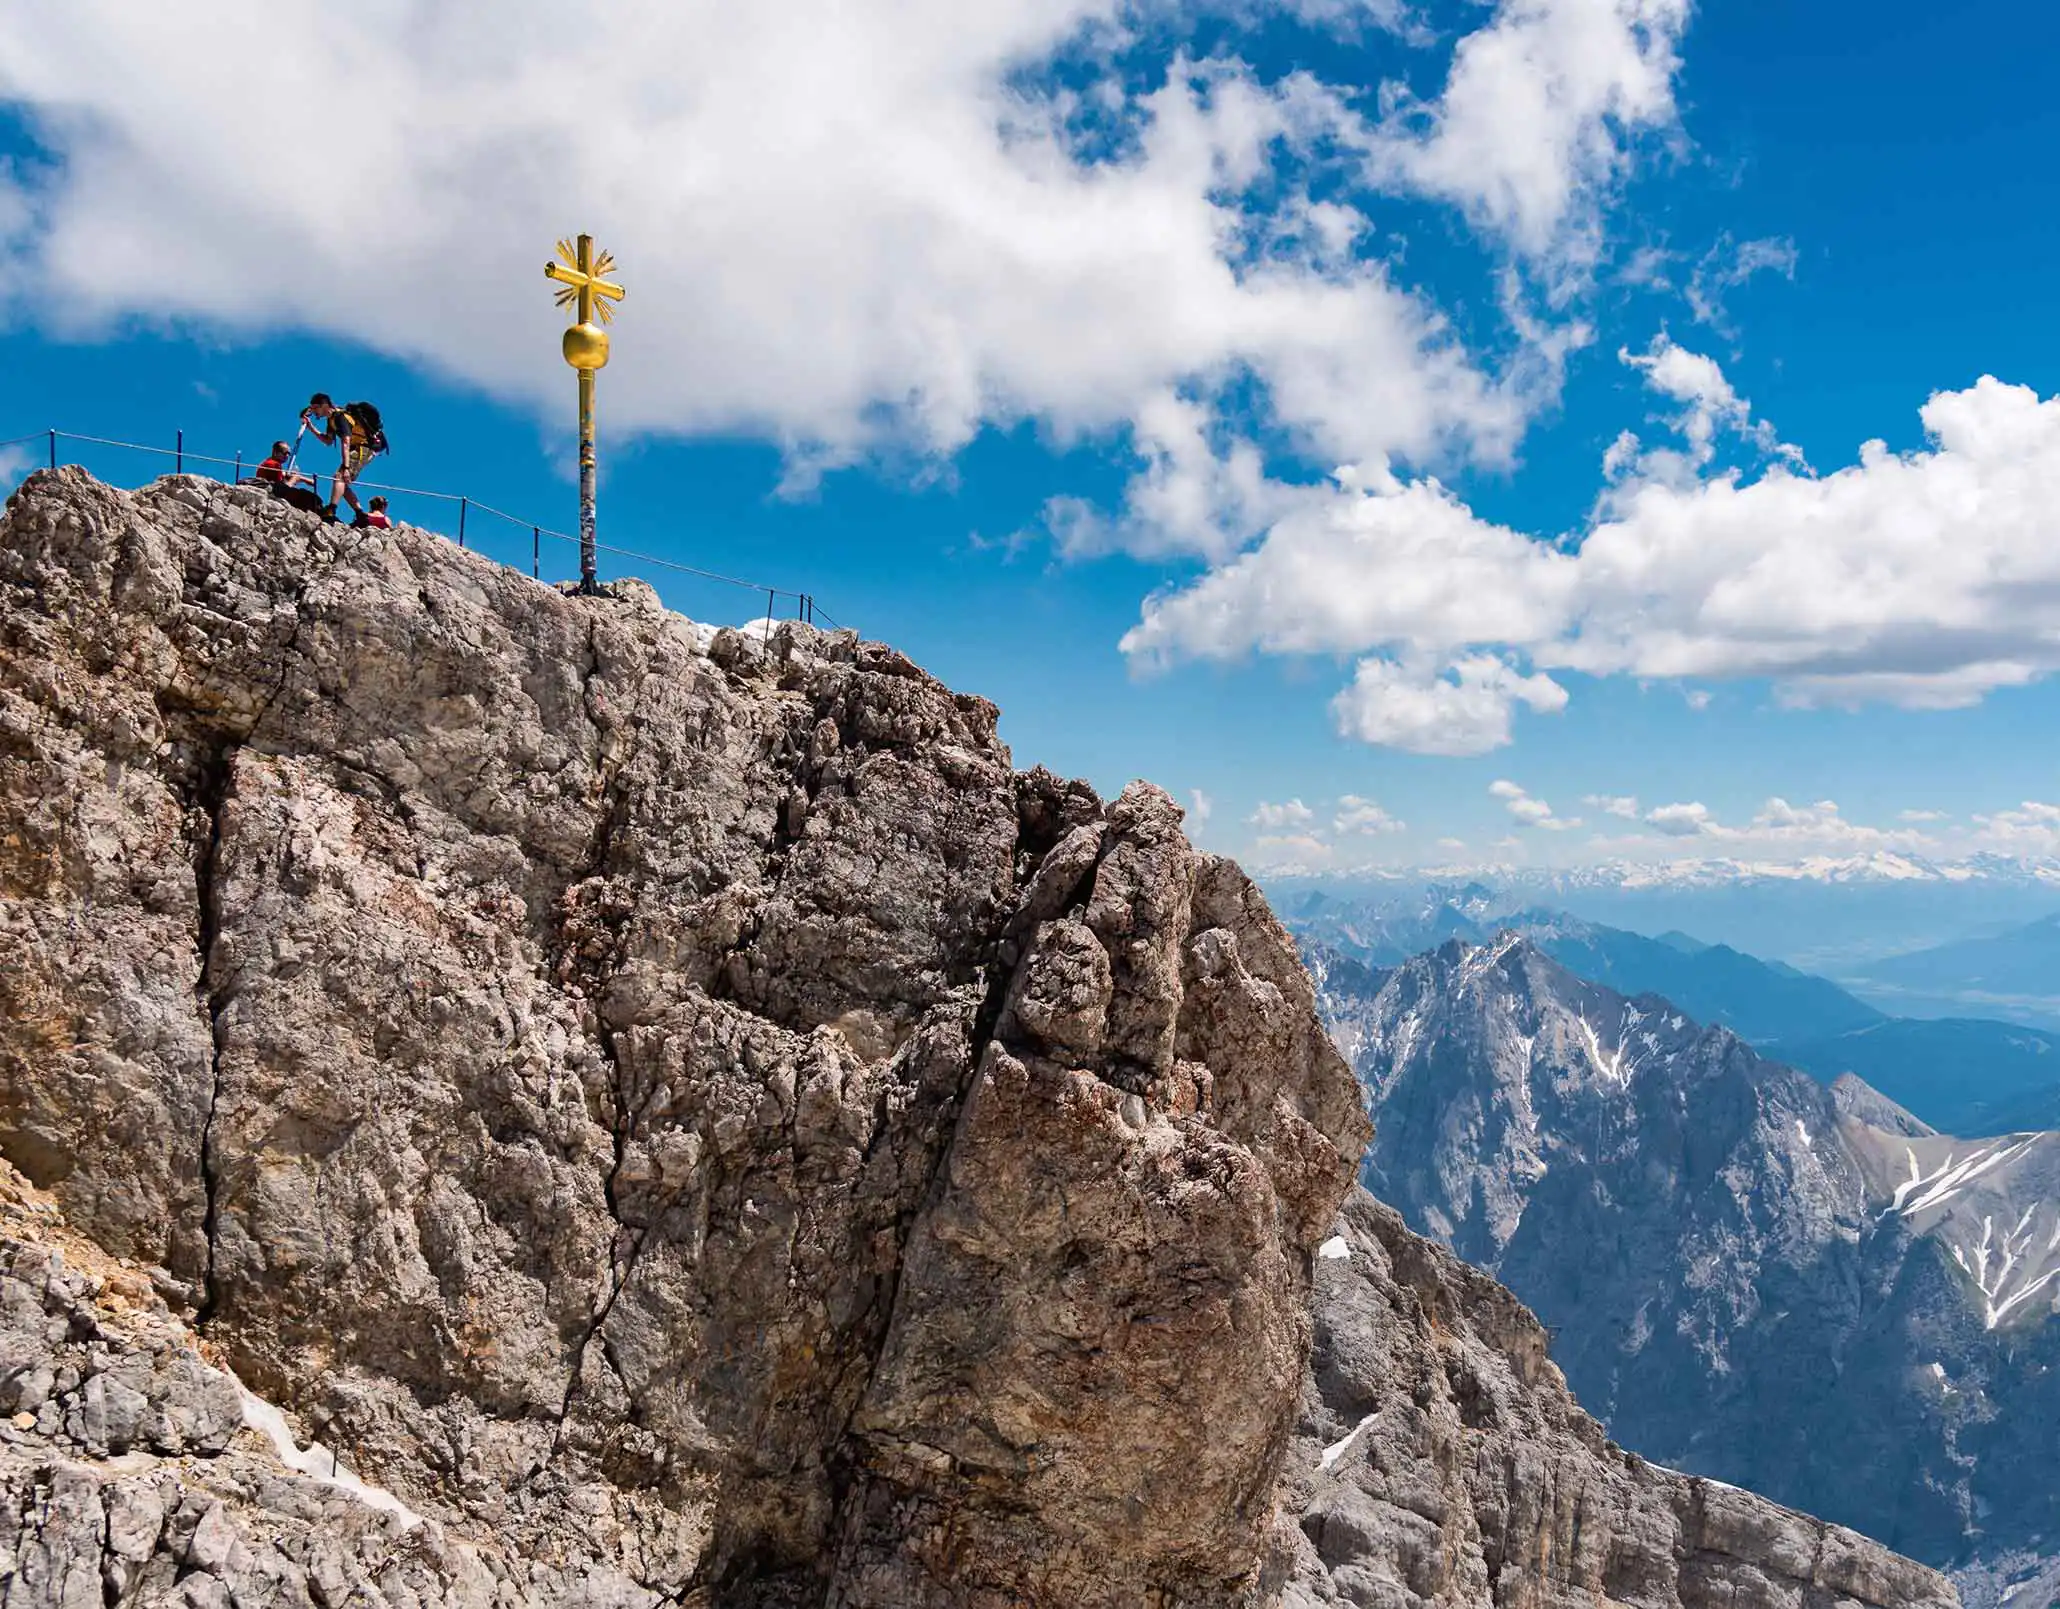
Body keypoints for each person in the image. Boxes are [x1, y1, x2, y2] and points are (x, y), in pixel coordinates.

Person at [302, 394, 382, 527]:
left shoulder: (340, 417)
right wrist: (310, 427)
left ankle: (331, 511)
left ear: (324, 405)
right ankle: (361, 515)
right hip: (360, 449)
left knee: (339, 477)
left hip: (362, 448)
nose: (315, 412)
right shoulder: (331, 420)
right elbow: (328, 441)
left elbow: (346, 441)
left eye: (315, 408)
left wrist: (345, 467)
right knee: (341, 484)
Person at [250, 439, 327, 515]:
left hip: (273, 490)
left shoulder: (270, 463)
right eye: (284, 453)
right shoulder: (273, 464)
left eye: (288, 454)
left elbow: (280, 482)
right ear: (275, 452)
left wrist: (296, 478)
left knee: (306, 494)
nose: (287, 456)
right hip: (273, 493)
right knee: (309, 497)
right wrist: (297, 478)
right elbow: (281, 490)